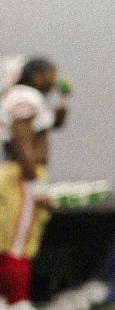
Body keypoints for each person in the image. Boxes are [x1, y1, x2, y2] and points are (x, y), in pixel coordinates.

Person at [0, 57, 70, 308]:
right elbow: (22, 141)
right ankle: (17, 299)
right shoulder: (25, 97)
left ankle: (8, 299)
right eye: (49, 74)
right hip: (24, 175)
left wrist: (64, 99)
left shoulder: (31, 97)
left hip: (23, 175)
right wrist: (35, 185)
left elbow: (55, 122)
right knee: (19, 242)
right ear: (37, 74)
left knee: (12, 240)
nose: (53, 80)